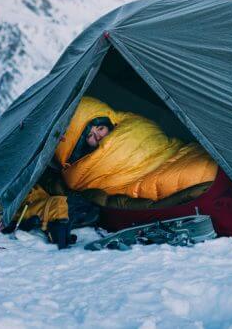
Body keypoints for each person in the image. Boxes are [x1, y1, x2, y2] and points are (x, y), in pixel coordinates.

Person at [13, 97, 216, 249]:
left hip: (170, 153)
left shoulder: (129, 124)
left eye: (100, 128)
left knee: (205, 163)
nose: (99, 137)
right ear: (78, 150)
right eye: (90, 137)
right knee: (198, 173)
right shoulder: (80, 174)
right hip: (143, 175)